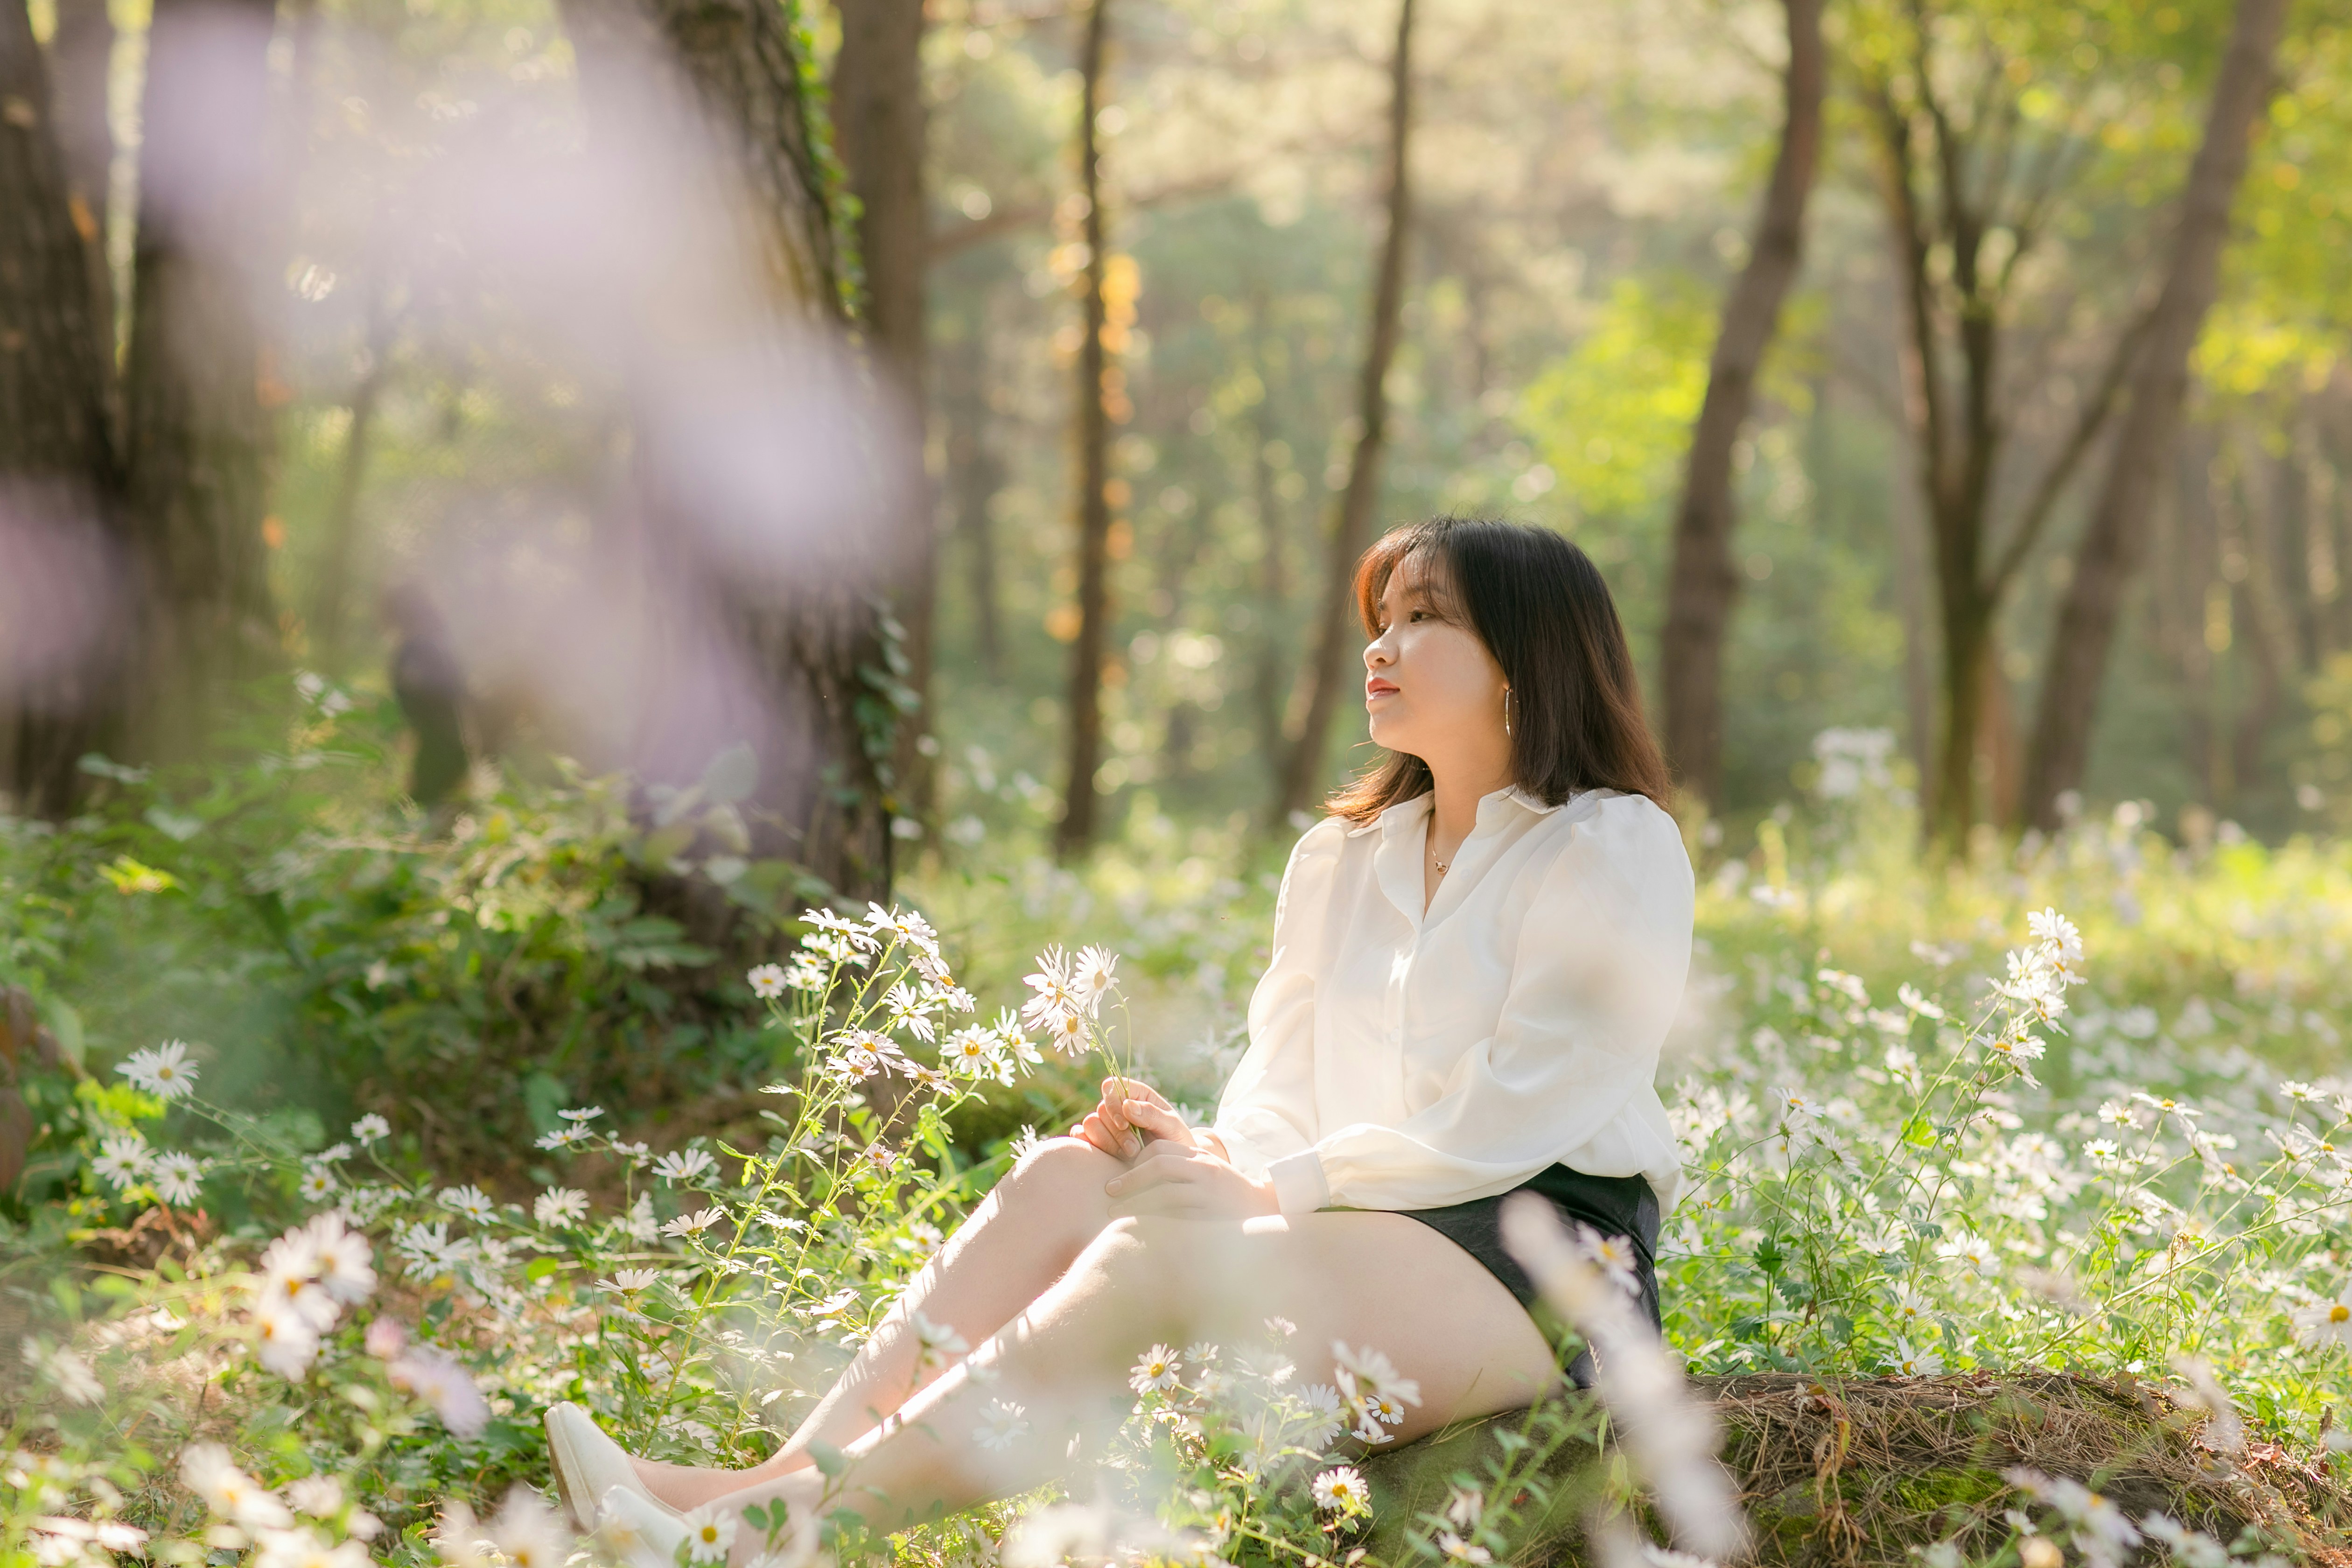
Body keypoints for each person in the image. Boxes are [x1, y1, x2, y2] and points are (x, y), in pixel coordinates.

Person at [550, 516, 1694, 1561]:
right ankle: (742, 1491)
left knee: (1176, 1248)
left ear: (1527, 654)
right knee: (1066, 1179)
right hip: (1342, 1230)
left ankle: (770, 1538)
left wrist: (1262, 1193)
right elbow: (1280, 1080)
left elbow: (1521, 1108)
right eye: (1381, 617)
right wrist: (1204, 1158)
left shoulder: (1609, 846)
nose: (1380, 645)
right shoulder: (1343, 859)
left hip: (1533, 1265)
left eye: (1426, 616)